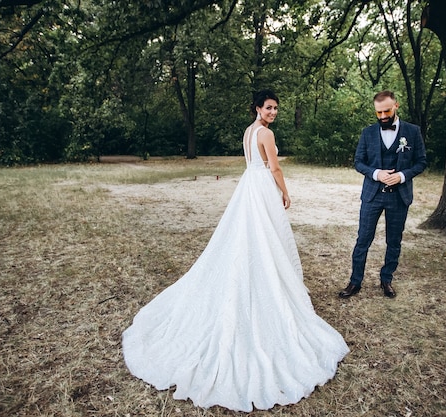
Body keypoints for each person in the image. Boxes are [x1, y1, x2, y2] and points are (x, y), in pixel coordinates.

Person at [123, 89, 349, 412]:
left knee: (253, 241)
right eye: (268, 107)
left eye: (275, 108)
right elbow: (274, 168)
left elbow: (253, 163)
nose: (272, 112)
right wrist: (285, 193)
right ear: (257, 108)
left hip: (249, 188)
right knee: (263, 241)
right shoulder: (265, 134)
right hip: (262, 190)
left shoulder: (248, 132)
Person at [339, 90, 427, 299]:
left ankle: (387, 279)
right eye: (378, 113)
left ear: (396, 105)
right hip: (372, 195)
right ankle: (355, 281)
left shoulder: (413, 131)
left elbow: (421, 161)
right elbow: (358, 162)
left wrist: (402, 176)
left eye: (386, 111)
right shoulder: (367, 133)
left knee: (394, 240)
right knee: (363, 239)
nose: (382, 117)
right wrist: (377, 174)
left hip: (399, 196)